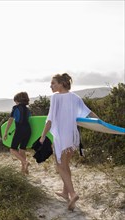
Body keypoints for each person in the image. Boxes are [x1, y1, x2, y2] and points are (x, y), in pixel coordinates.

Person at [39, 73, 98, 211]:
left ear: (61, 83)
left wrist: (42, 136)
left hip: (61, 136)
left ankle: (73, 194)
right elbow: (89, 113)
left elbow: (50, 119)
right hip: (72, 137)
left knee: (60, 166)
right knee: (65, 165)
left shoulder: (55, 97)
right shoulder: (75, 97)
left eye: (53, 83)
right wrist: (103, 123)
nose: (51, 86)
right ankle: (65, 192)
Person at [3, 92, 31, 175]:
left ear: (18, 100)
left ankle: (25, 162)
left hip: (20, 130)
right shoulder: (27, 109)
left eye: (15, 100)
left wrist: (6, 132)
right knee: (22, 150)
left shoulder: (15, 108)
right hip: (28, 130)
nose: (15, 102)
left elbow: (11, 120)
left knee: (12, 149)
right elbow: (29, 119)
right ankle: (24, 170)